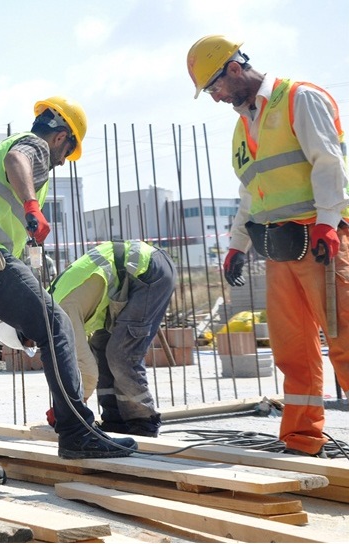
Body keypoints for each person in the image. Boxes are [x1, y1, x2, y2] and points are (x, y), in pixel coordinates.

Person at [0, 96, 136, 488]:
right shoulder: (30, 147)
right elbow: (18, 159)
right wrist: (33, 206)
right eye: (69, 151)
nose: (64, 160)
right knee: (57, 326)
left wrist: (19, 315)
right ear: (61, 137)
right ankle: (76, 433)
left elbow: (10, 260)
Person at [187, 35, 349, 457]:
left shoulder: (299, 98)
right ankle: (301, 439)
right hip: (281, 249)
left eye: (214, 88)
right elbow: (250, 192)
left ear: (235, 70)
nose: (216, 98)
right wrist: (237, 244)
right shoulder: (244, 125)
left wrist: (329, 223)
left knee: (345, 340)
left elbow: (329, 162)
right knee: (292, 349)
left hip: (321, 241)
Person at [48, 240, 175, 437]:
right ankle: (115, 418)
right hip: (129, 277)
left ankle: (143, 419)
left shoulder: (60, 311)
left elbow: (86, 370)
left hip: (147, 271)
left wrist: (70, 409)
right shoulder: (50, 301)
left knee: (121, 352)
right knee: (100, 346)